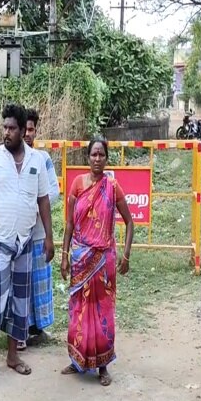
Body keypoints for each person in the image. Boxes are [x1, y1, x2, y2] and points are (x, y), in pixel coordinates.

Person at [0, 104, 54, 383]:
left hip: (25, 243)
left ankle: (12, 356)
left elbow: (43, 200)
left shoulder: (36, 160)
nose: (6, 132)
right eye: (4, 127)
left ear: (23, 131)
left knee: (20, 302)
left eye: (11, 128)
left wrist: (49, 238)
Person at [59, 139, 134, 386]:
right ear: (88, 157)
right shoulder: (78, 184)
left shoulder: (112, 187)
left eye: (102, 155)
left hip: (104, 260)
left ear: (107, 158)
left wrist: (126, 255)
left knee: (103, 310)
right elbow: (70, 224)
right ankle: (77, 359)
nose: (97, 159)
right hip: (80, 258)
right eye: (93, 154)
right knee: (79, 309)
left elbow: (129, 222)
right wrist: (65, 255)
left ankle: (103, 365)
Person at [22, 108, 60, 349]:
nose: (27, 134)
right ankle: (20, 330)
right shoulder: (8, 158)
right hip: (16, 235)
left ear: (36, 131)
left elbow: (53, 192)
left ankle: (38, 327)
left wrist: (33, 208)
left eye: (31, 129)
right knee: (21, 283)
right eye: (24, 129)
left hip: (37, 233)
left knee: (38, 281)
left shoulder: (42, 158)